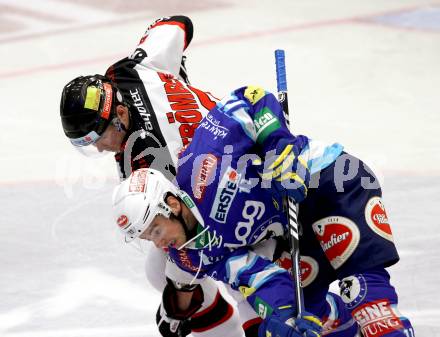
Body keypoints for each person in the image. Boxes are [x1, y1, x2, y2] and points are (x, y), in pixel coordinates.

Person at [112, 85, 415, 337]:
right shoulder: (194, 254)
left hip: (330, 185)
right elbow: (255, 276)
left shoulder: (202, 164)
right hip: (293, 228)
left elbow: (252, 97)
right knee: (307, 319)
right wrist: (280, 314)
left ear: (173, 205)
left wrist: (277, 147)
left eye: (155, 229)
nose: (158, 244)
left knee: (368, 302)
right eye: (147, 236)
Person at [60, 16, 246, 337]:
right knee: (160, 268)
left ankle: (231, 324)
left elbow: (184, 234)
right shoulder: (129, 73)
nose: (102, 149)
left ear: (119, 115)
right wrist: (175, 82)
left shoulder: (154, 164)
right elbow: (176, 24)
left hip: (236, 192)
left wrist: (177, 305)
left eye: (97, 138)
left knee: (230, 276)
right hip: (239, 135)